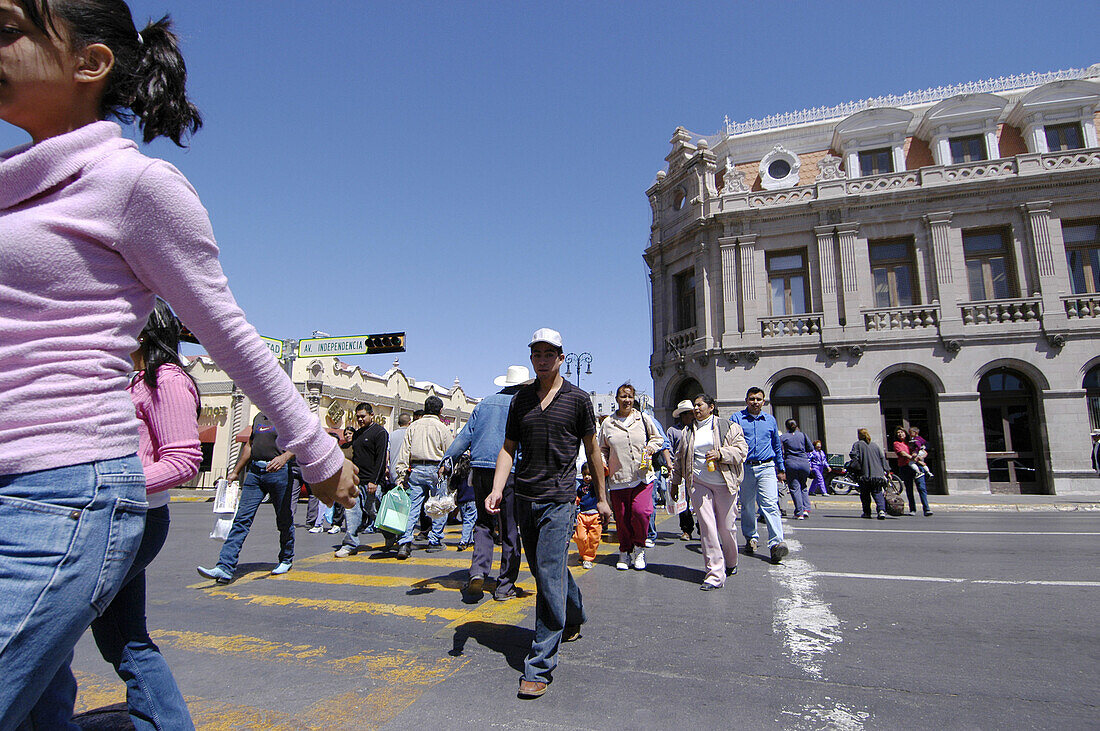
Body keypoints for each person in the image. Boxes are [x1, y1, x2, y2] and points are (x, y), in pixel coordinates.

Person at [0, 1, 357, 722]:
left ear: (89, 63)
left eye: (8, 27)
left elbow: (227, 331)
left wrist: (318, 453)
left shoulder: (135, 186)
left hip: (61, 494)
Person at [90, 300, 199, 728]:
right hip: (118, 514)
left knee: (54, 629)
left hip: (134, 518)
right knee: (121, 636)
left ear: (141, 330)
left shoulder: (167, 379)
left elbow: (184, 461)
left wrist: (112, 484)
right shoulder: (132, 379)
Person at [487, 328, 610, 699]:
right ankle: (574, 613)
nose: (542, 359)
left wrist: (602, 497)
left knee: (548, 572)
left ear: (561, 357)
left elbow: (592, 450)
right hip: (524, 496)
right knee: (547, 569)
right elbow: (508, 448)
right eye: (536, 354)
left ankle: (540, 663)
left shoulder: (578, 399)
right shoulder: (520, 400)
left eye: (549, 353)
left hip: (559, 498)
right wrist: (497, 488)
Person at [441, 365, 527, 599]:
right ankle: (505, 585)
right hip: (509, 471)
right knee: (510, 528)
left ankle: (478, 572)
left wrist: (448, 459)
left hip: (479, 469)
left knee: (483, 522)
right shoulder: (523, 404)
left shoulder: (485, 403)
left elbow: (465, 435)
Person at [197, 412, 298, 582]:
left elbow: (299, 442)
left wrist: (284, 457)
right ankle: (225, 567)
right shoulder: (258, 417)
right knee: (241, 520)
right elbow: (249, 446)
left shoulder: (286, 414)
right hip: (255, 474)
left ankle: (286, 559)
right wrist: (235, 471)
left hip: (279, 473)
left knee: (284, 519)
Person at [669, 394, 748, 590]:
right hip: (699, 483)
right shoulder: (687, 432)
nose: (696, 409)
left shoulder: (728, 427)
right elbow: (679, 459)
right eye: (694, 406)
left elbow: (742, 450)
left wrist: (721, 454)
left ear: (711, 407)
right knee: (707, 527)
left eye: (699, 405)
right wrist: (675, 481)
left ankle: (731, 561)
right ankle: (714, 575)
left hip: (724, 483)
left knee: (726, 528)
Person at [597, 383, 663, 571]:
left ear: (634, 399)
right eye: (623, 396)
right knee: (623, 518)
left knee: (641, 513)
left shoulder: (643, 418)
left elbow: (658, 439)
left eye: (630, 396)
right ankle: (625, 551)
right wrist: (603, 462)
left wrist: (651, 447)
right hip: (618, 478)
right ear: (616, 399)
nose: (626, 400)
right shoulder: (608, 423)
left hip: (642, 476)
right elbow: (602, 448)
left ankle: (640, 548)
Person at [730, 388, 789, 564]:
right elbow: (730, 442)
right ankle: (751, 538)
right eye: (752, 399)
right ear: (746, 400)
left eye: (759, 399)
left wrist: (781, 468)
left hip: (767, 467)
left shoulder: (770, 420)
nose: (755, 402)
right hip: (745, 468)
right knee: (747, 505)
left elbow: (776, 446)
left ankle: (776, 544)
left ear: (764, 402)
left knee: (770, 504)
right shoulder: (737, 419)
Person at [395, 396, 454, 557]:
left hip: (416, 469)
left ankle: (404, 542)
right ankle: (435, 540)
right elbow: (450, 452)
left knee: (413, 507)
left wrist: (401, 474)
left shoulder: (413, 426)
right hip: (437, 469)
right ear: (440, 411)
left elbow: (404, 452)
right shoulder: (442, 428)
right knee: (440, 505)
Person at [335, 404, 389, 557]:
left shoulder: (380, 433)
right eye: (358, 416)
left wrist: (374, 481)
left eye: (363, 416)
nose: (359, 419)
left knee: (375, 512)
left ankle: (391, 536)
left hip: (372, 483)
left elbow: (380, 459)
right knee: (351, 510)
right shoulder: (357, 434)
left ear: (371, 415)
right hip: (357, 482)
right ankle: (350, 543)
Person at [666, 400, 697, 540]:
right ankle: (686, 529)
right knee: (683, 501)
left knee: (700, 500)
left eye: (691, 413)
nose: (689, 416)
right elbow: (670, 449)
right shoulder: (673, 431)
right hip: (681, 470)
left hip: (697, 470)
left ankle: (703, 527)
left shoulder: (698, 429)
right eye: (686, 414)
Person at [850, 428, 890, 520]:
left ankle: (867, 512)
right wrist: (887, 471)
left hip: (865, 475)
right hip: (878, 475)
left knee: (865, 494)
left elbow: (854, 456)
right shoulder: (875, 445)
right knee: (878, 492)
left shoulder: (857, 444)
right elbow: (882, 459)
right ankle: (881, 510)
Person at [892, 426, 932, 517]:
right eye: (898, 433)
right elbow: (903, 453)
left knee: (921, 488)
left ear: (905, 433)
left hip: (917, 467)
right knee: (909, 489)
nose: (900, 434)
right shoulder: (896, 443)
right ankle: (912, 509)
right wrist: (916, 459)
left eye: (901, 432)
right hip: (905, 467)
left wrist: (923, 455)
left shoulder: (912, 442)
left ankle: (927, 509)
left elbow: (923, 449)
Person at [780, 419, 815, 520]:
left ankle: (799, 512)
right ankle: (806, 509)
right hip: (804, 463)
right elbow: (810, 448)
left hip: (791, 463)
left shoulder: (783, 437)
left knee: (795, 487)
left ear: (786, 427)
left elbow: (780, 450)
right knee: (803, 486)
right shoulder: (803, 435)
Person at [573, 464, 601, 568]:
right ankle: (583, 553)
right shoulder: (580, 488)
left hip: (595, 515)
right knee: (579, 537)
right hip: (582, 515)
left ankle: (588, 557)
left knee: (593, 538)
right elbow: (578, 497)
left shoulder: (596, 485)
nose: (587, 477)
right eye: (585, 474)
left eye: (590, 474)